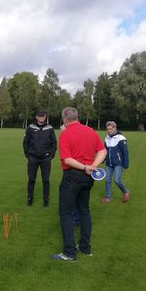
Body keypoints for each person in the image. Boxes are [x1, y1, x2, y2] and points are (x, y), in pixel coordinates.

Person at [51, 107, 106, 262]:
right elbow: (103, 151)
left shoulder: (65, 134)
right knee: (84, 211)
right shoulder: (90, 131)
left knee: (65, 212)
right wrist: (93, 166)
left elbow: (67, 159)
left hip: (73, 176)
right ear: (77, 117)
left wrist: (86, 167)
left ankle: (69, 253)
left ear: (64, 120)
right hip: (88, 178)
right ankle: (85, 248)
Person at [23, 110, 57, 206]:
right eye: (39, 116)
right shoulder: (30, 127)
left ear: (45, 117)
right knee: (31, 179)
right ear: (36, 117)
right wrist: (28, 155)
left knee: (46, 180)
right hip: (32, 158)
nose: (41, 117)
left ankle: (46, 199)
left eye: (43, 116)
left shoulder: (50, 128)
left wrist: (51, 155)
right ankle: (30, 198)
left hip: (45, 159)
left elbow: (54, 143)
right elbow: (26, 142)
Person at [102, 121, 130, 203]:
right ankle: (107, 197)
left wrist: (126, 164)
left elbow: (125, 152)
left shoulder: (121, 138)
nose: (109, 131)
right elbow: (104, 151)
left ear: (115, 128)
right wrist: (102, 160)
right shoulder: (106, 138)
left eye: (110, 129)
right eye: (108, 129)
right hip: (109, 163)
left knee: (117, 180)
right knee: (107, 180)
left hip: (119, 163)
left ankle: (125, 192)